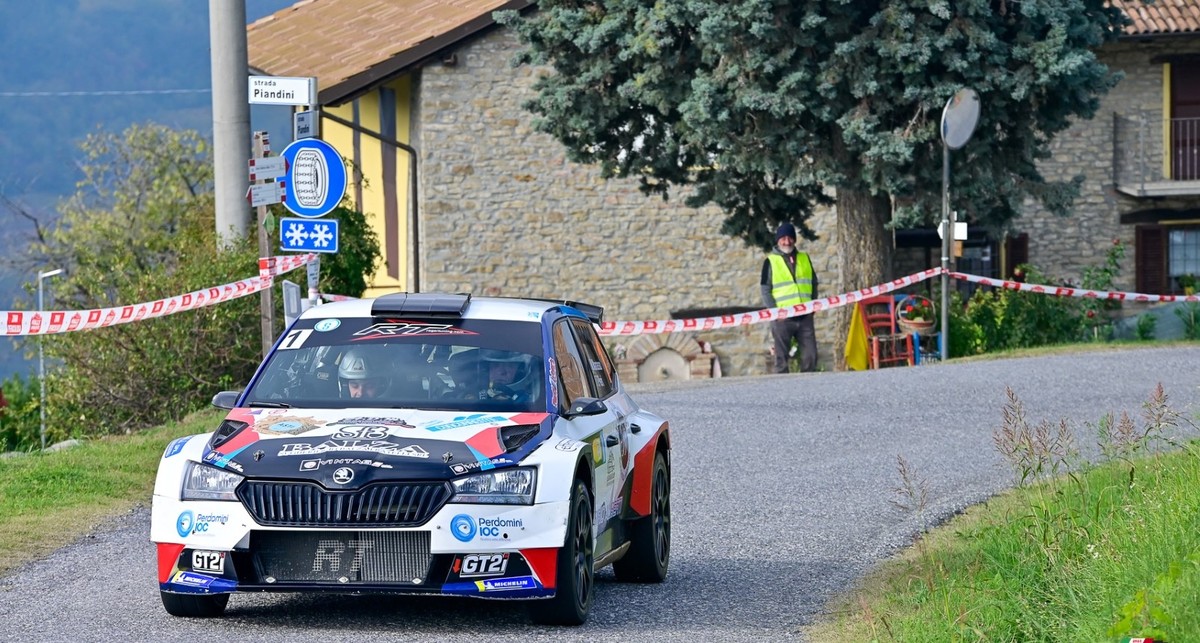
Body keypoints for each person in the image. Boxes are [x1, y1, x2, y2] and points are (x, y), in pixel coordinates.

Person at [760, 222, 818, 373]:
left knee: (810, 356)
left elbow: (813, 282)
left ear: (794, 239)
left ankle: (808, 389)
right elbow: (765, 289)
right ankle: (782, 391)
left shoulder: (805, 258)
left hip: (804, 316)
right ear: (778, 240)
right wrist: (775, 312)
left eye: (790, 238)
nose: (787, 242)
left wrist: (812, 306)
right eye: (783, 238)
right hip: (783, 318)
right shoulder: (770, 261)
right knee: (781, 361)